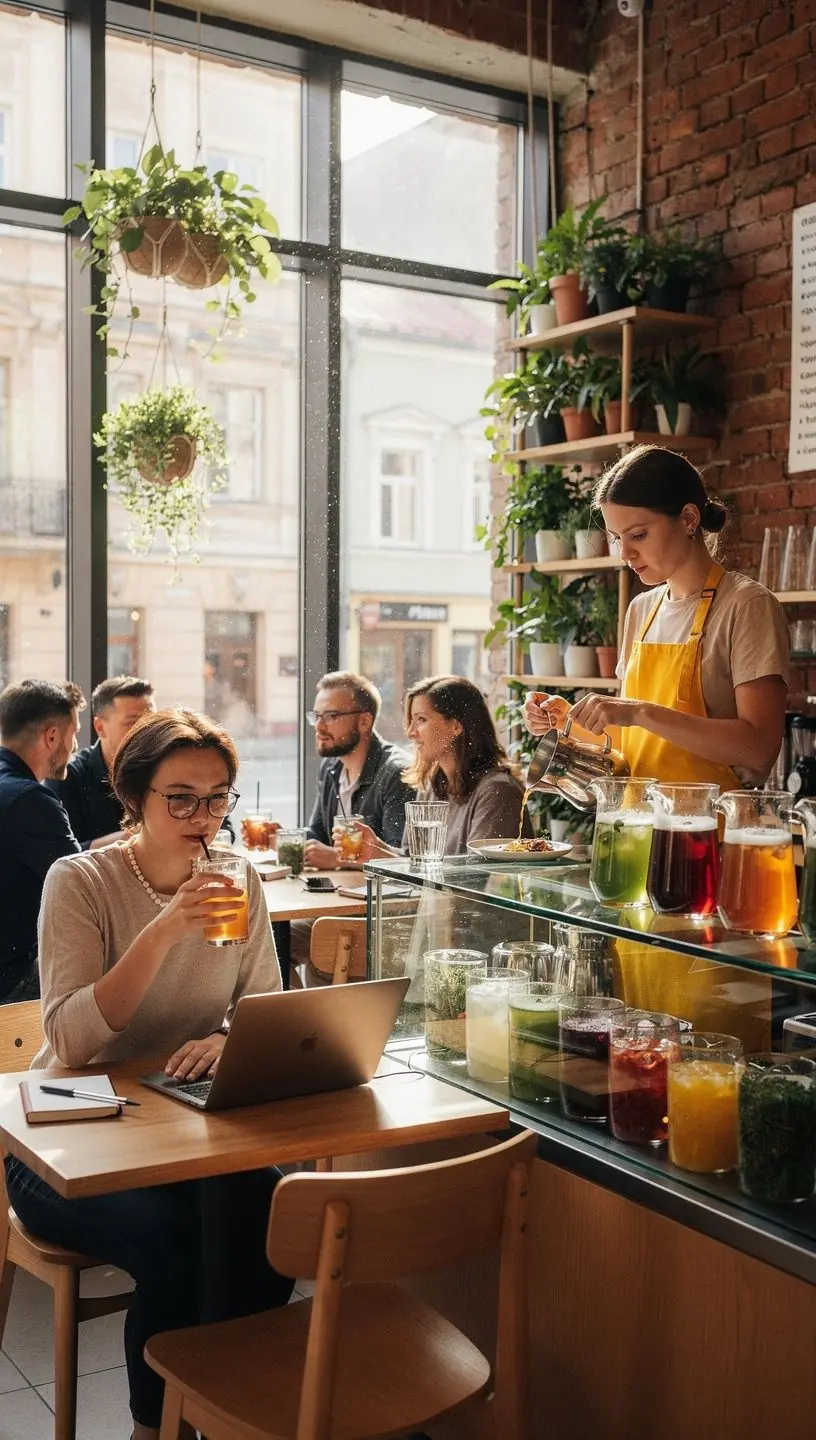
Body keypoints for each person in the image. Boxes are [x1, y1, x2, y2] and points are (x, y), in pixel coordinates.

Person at [5, 708, 292, 1440]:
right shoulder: (81, 881)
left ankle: (227, 1407)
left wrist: (231, 1038)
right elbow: (67, 1038)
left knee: (271, 1216)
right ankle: (157, 1428)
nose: (205, 816)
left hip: (181, 1127)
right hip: (66, 1136)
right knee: (175, 1239)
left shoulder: (239, 879)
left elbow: (266, 1008)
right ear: (134, 798)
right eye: (182, 798)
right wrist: (165, 929)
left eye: (219, 796)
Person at [523, 445, 789, 787]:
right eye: (617, 538)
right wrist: (567, 721)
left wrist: (638, 711)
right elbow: (637, 743)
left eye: (638, 535)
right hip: (637, 827)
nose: (625, 553)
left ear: (689, 519)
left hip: (711, 830)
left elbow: (758, 749)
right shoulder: (641, 610)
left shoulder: (747, 605)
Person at [358, 674, 532, 859]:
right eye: (411, 721)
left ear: (456, 726)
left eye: (421, 719)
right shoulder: (432, 786)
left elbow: (476, 875)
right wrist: (375, 849)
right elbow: (415, 860)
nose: (411, 732)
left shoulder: (498, 791)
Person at [0, 679, 83, 1004]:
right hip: (11, 982)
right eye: (73, 734)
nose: (74, 747)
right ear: (52, 736)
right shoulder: (30, 800)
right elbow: (80, 886)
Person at [304, 671, 414, 868]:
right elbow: (318, 834)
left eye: (331, 716)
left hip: (378, 896)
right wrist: (285, 839)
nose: (318, 727)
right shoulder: (331, 766)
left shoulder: (396, 773)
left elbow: (399, 858)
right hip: (344, 890)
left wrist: (338, 859)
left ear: (364, 721)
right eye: (316, 716)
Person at [48, 674, 156, 848]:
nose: (146, 730)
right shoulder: (69, 777)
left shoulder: (165, 769)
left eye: (152, 720)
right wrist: (132, 838)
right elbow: (60, 856)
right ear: (100, 728)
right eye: (133, 722)